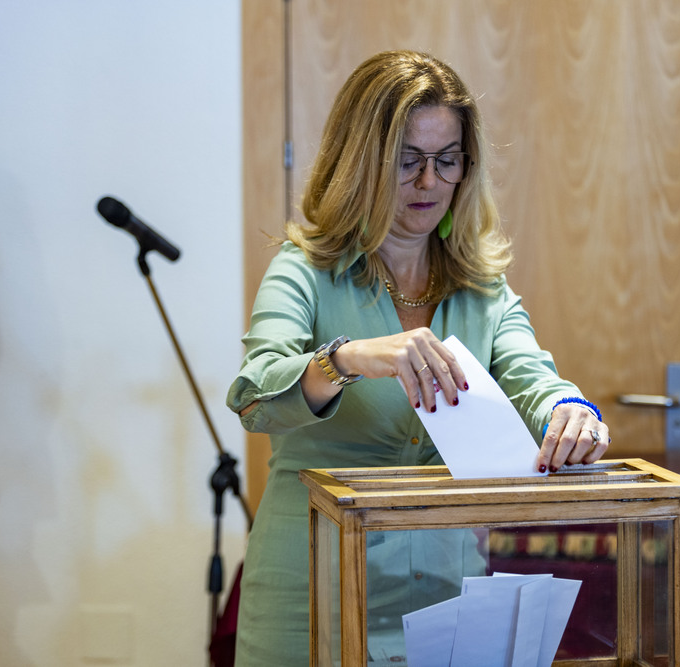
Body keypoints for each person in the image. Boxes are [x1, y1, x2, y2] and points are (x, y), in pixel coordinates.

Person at [226, 49, 610, 666]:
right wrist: (344, 358)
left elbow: (535, 378)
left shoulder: (483, 290)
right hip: (312, 598)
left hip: (445, 604)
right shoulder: (303, 272)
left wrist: (572, 411)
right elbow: (253, 398)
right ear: (361, 164)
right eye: (407, 162)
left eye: (446, 160)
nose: (429, 182)